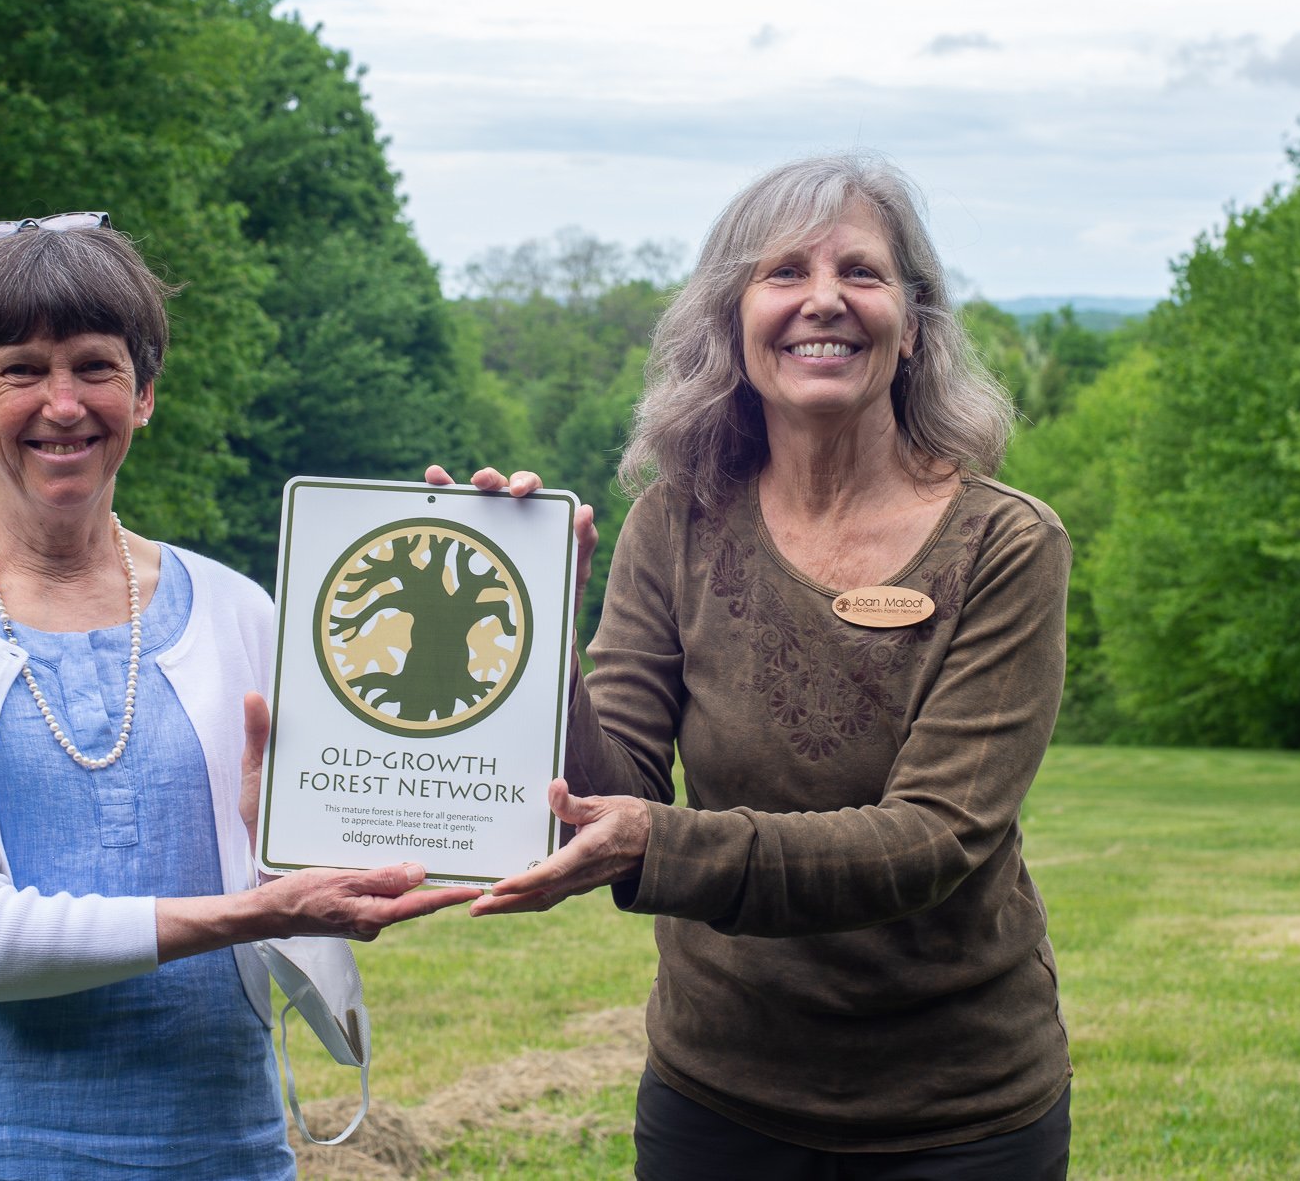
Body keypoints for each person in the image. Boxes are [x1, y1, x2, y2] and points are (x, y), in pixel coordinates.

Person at [450, 154, 1074, 1179]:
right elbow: (616, 794)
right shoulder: (674, 521)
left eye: (861, 273)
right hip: (716, 1097)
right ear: (732, 321)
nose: (822, 298)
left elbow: (934, 837)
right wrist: (530, 619)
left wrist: (659, 843)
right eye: (782, 271)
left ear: (912, 324)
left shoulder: (1003, 544)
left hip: (957, 1113)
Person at [0, 213, 472, 1180]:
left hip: (214, 1142)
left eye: (96, 365)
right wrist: (247, 909)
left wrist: (515, 566)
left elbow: (309, 877)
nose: (64, 402)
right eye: (20, 369)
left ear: (146, 393)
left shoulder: (242, 610)